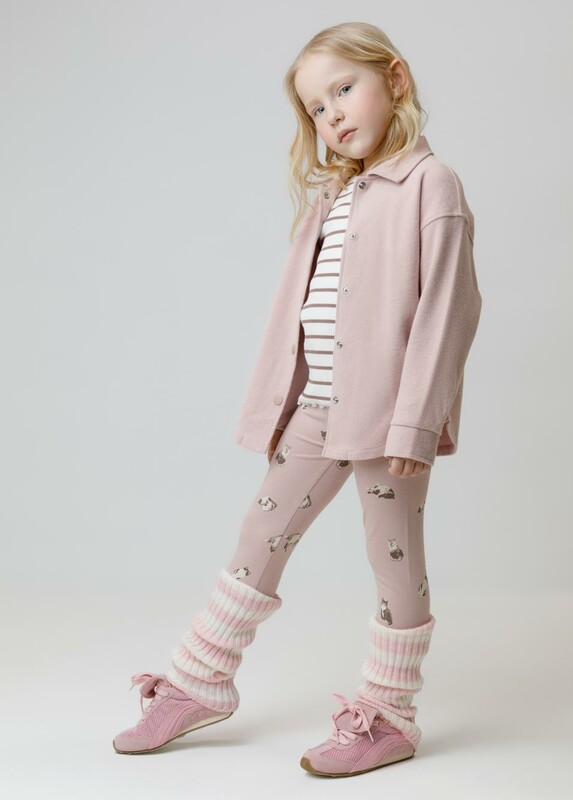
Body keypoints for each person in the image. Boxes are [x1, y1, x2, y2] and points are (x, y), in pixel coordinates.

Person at [113, 21, 482, 778]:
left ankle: (389, 715)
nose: (332, 114)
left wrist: (416, 423)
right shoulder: (334, 195)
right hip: (318, 405)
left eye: (344, 89)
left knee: (393, 557)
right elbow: (304, 310)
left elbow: (448, 310)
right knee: (261, 533)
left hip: (387, 415)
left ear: (395, 80)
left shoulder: (430, 184)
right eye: (316, 107)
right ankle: (200, 679)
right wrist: (279, 403)